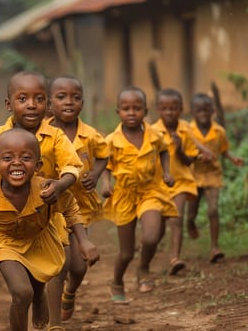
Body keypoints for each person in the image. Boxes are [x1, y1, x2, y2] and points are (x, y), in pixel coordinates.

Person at [0, 128, 99, 331]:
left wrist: (84, 241)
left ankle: (39, 297)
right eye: (7, 157)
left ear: (37, 166)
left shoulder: (45, 189)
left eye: (26, 157)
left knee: (37, 289)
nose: (17, 162)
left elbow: (70, 207)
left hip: (38, 241)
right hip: (1, 240)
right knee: (21, 292)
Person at [0, 71, 84, 327]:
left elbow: (72, 167)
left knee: (59, 265)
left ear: (47, 104)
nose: (31, 105)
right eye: (23, 98)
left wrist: (60, 184)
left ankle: (54, 322)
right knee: (23, 284)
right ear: (9, 104)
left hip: (48, 211)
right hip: (9, 216)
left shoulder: (55, 136)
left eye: (39, 99)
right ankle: (36, 298)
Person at [101, 86, 177, 303]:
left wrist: (167, 172)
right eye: (126, 109)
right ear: (118, 112)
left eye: (137, 108)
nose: (131, 113)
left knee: (151, 236)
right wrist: (106, 184)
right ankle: (117, 281)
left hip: (149, 191)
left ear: (145, 110)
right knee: (126, 253)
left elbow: (164, 151)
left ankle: (144, 269)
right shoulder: (111, 140)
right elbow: (105, 165)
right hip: (124, 195)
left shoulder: (154, 135)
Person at [47, 76, 109, 323]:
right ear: (50, 103)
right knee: (58, 264)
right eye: (61, 97)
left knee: (79, 266)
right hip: (51, 209)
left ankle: (70, 292)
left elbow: (104, 156)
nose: (69, 102)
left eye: (75, 97)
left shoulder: (90, 135)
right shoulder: (43, 133)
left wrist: (95, 174)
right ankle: (51, 315)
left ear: (82, 102)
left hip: (80, 206)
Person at [187, 93, 244, 262]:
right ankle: (190, 223)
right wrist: (198, 156)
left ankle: (214, 247)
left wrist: (232, 158)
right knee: (191, 212)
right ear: (192, 112)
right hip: (193, 175)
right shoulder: (188, 131)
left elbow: (223, 149)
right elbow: (185, 153)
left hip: (212, 175)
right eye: (199, 111)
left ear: (212, 111)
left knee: (213, 210)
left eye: (206, 110)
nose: (203, 114)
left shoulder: (219, 131)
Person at [152, 88, 199, 275]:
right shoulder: (152, 131)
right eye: (164, 108)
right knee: (158, 228)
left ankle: (174, 258)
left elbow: (189, 160)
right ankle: (148, 251)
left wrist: (179, 148)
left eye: (173, 108)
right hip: (157, 184)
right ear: (157, 110)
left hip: (180, 181)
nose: (169, 112)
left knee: (176, 219)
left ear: (181, 109)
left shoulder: (186, 129)